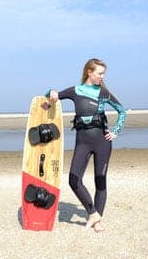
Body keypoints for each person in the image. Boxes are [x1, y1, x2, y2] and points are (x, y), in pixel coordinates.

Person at [47, 58, 126, 232]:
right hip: (82, 142)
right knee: (74, 180)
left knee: (100, 181)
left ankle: (97, 222)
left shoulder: (103, 93)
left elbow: (122, 111)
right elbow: (53, 95)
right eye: (100, 73)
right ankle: (92, 212)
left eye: (104, 73)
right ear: (89, 72)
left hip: (102, 142)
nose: (102, 77)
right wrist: (50, 92)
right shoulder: (76, 91)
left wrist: (116, 132)